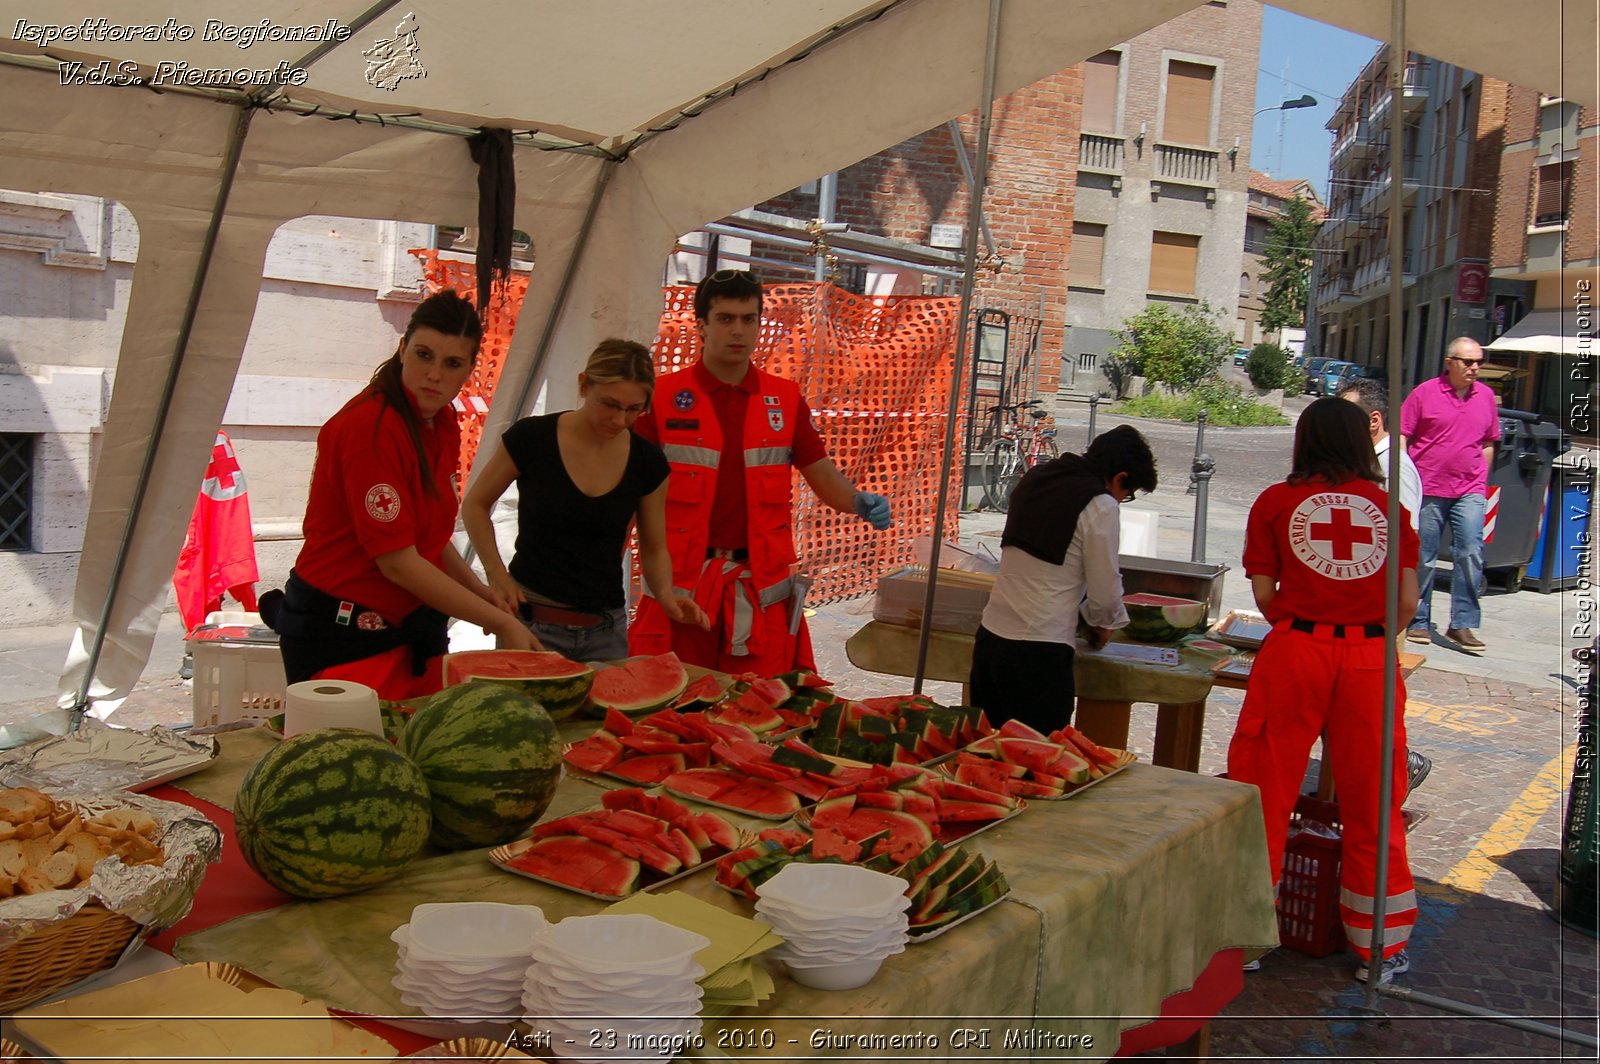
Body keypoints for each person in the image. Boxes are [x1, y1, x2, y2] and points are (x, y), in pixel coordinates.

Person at [1226, 397, 1421, 986]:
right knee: (1374, 800)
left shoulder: (1275, 503)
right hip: (1369, 659)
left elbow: (1263, 595)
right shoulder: (1391, 510)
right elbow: (1407, 604)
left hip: (1296, 652)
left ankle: (1244, 939)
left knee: (1264, 788)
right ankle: (1379, 949)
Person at [261, 291, 536, 701]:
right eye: (424, 355)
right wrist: (503, 625)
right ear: (403, 348)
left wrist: (485, 598)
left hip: (406, 632)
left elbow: (429, 539)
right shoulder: (369, 430)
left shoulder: (440, 422)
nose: (435, 375)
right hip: (343, 637)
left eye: (452, 364)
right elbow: (399, 563)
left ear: (468, 371)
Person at [629, 269, 892, 674]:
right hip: (678, 596)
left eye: (748, 319)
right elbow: (626, 490)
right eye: (725, 319)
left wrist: (856, 500)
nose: (739, 331)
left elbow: (820, 473)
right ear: (701, 325)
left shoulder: (784, 400)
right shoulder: (661, 399)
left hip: (758, 596)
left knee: (758, 720)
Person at [461, 339, 709, 661]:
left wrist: (666, 595)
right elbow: (475, 505)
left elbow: (653, 546)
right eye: (609, 404)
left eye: (634, 409)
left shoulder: (648, 462)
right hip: (530, 624)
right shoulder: (531, 438)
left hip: (606, 631)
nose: (620, 420)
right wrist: (496, 574)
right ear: (583, 385)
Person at [968, 425, 1157, 735]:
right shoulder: (1100, 504)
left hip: (990, 642)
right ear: (1121, 478)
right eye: (1128, 494)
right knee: (1035, 766)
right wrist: (1103, 624)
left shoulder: (1037, 478)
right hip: (1038, 656)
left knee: (987, 756)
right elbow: (1105, 590)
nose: (1123, 500)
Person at [1339, 377, 1433, 793]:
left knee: (1371, 711)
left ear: (1374, 421)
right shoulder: (1372, 463)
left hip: (1380, 609)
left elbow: (1402, 544)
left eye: (1348, 418)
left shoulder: (1395, 469)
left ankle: (1401, 766)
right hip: (1364, 606)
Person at [1400, 337, 1501, 655]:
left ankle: (1462, 623)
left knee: (1471, 551)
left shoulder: (1485, 397)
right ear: (1449, 362)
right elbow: (1403, 435)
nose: (1475, 368)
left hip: (1469, 489)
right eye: (1468, 362)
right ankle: (1417, 618)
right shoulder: (1424, 393)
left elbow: (1489, 441)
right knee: (1424, 557)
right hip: (1428, 488)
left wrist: (1481, 480)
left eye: (1479, 363)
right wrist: (1406, 479)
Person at [173, 430, 260, 679]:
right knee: (208, 576)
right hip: (223, 521)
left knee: (196, 577)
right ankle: (205, 647)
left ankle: (198, 650)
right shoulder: (217, 435)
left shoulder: (187, 436)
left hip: (201, 519)